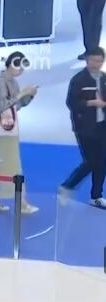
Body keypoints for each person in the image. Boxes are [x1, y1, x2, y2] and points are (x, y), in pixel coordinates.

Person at [0, 51, 39, 214]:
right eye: (19, 67)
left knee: (0, 165)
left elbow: (18, 105)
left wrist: (30, 96)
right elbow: (3, 105)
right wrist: (22, 93)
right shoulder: (0, 81)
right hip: (3, 130)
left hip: (10, 126)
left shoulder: (13, 82)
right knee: (13, 166)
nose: (21, 71)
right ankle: (22, 203)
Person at [62, 47, 106, 209]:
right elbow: (71, 103)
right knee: (91, 161)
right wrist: (90, 103)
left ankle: (96, 196)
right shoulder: (79, 80)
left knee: (102, 162)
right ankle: (68, 185)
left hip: (102, 126)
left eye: (100, 60)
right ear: (87, 60)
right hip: (85, 127)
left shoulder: (104, 78)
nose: (97, 64)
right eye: (94, 60)